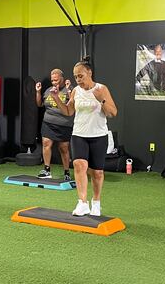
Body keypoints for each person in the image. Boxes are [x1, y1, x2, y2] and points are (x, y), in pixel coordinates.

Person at [52, 58, 118, 217]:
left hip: (98, 136)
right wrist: (56, 99)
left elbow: (113, 113)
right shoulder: (76, 91)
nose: (78, 79)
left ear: (89, 72)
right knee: (80, 165)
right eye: (75, 77)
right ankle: (82, 203)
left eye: (80, 76)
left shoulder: (102, 89)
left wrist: (101, 99)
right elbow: (69, 111)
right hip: (79, 134)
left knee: (97, 173)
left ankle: (96, 203)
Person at [35, 69, 73, 181]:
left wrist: (69, 90)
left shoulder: (69, 89)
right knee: (46, 144)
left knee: (63, 148)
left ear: (62, 78)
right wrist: (38, 91)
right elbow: (39, 104)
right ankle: (47, 170)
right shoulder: (48, 91)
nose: (54, 82)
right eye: (52, 80)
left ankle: (66, 172)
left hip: (64, 124)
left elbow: (72, 105)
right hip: (48, 122)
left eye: (56, 80)